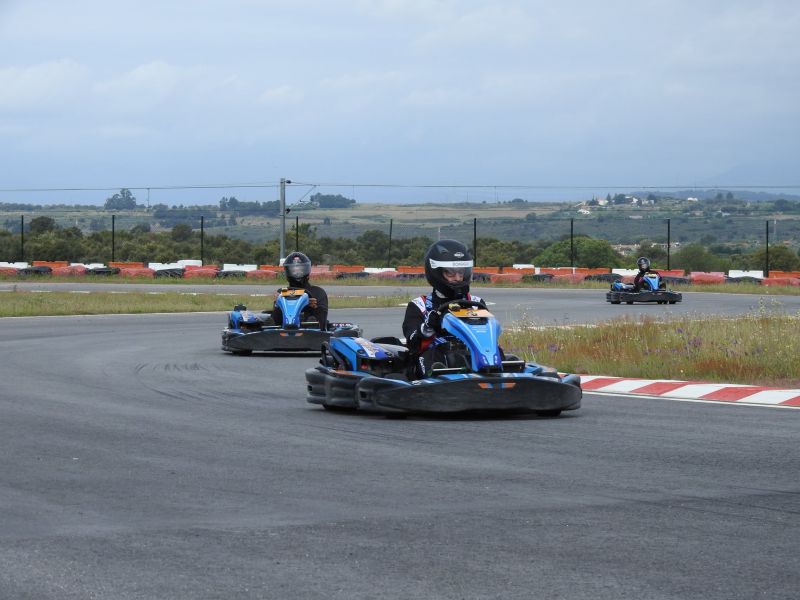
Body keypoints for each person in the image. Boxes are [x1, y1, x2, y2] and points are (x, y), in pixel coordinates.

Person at [402, 239, 482, 378]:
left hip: (472, 354)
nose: (457, 278)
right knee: (429, 357)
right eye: (450, 273)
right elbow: (413, 344)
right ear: (437, 273)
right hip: (436, 356)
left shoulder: (476, 303)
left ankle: (502, 376)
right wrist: (428, 327)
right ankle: (436, 381)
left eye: (461, 273)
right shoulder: (419, 305)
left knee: (496, 351)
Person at [270, 251, 329, 329]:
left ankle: (311, 324)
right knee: (266, 318)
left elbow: (322, 317)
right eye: (293, 270)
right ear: (287, 271)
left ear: (307, 270)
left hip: (311, 335)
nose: (297, 273)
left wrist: (308, 305)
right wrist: (278, 304)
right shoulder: (282, 292)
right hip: (284, 334)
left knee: (314, 319)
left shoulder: (318, 292)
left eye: (300, 269)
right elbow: (277, 319)